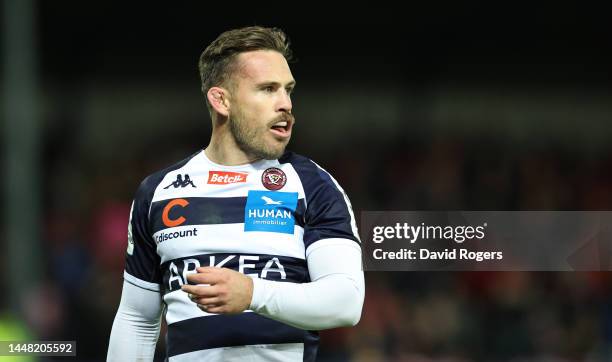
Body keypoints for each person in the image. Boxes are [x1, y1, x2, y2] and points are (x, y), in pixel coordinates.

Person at [107, 26, 365, 362]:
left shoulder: (314, 186)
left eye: (288, 90)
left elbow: (346, 301)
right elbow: (137, 320)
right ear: (221, 100)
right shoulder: (158, 192)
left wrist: (254, 293)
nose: (285, 104)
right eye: (267, 89)